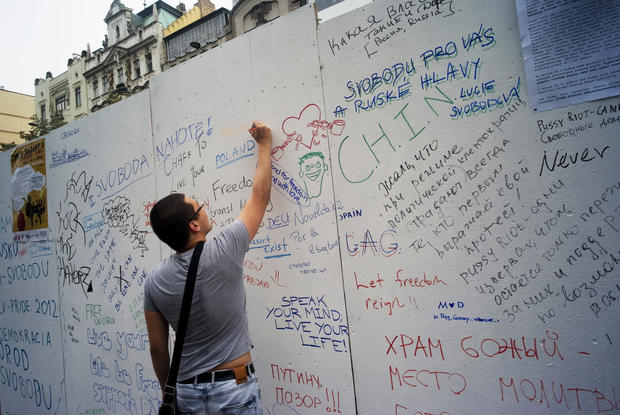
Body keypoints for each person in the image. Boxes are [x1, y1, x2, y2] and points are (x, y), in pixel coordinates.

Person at [144, 121, 272, 414]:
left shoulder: (154, 281)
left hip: (186, 393)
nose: (204, 207)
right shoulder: (225, 248)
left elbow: (157, 348)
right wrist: (264, 145)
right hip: (233, 389)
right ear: (194, 224)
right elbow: (260, 197)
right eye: (199, 206)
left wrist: (169, 393)